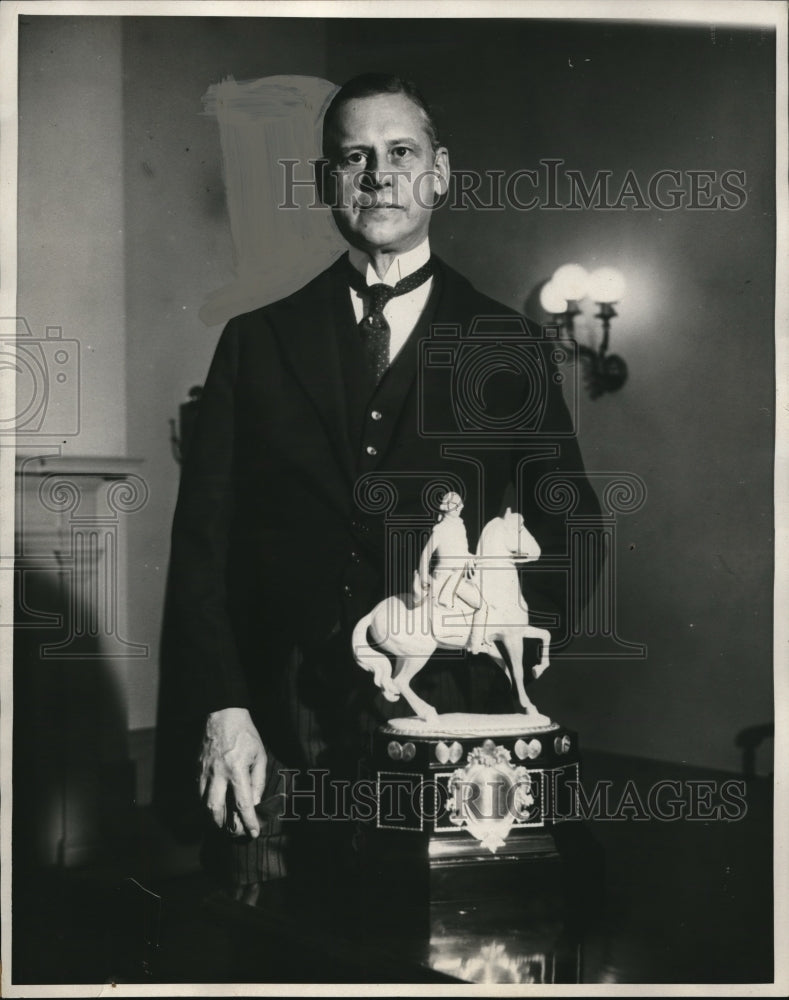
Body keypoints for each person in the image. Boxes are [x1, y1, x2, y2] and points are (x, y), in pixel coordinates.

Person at [154, 73, 601, 885]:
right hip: (276, 733)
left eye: (399, 152)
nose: (377, 175)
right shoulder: (256, 342)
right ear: (330, 183)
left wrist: (488, 638)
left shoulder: (507, 343)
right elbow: (201, 550)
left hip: (455, 731)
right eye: (353, 157)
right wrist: (224, 708)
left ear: (439, 173)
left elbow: (573, 533)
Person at [414, 491, 492, 655]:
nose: (460, 508)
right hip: (447, 578)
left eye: (460, 506)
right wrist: (423, 576)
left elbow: (459, 551)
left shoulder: (459, 524)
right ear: (449, 508)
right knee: (482, 605)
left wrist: (474, 558)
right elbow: (426, 554)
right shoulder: (441, 529)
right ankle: (475, 643)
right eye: (457, 506)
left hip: (460, 574)